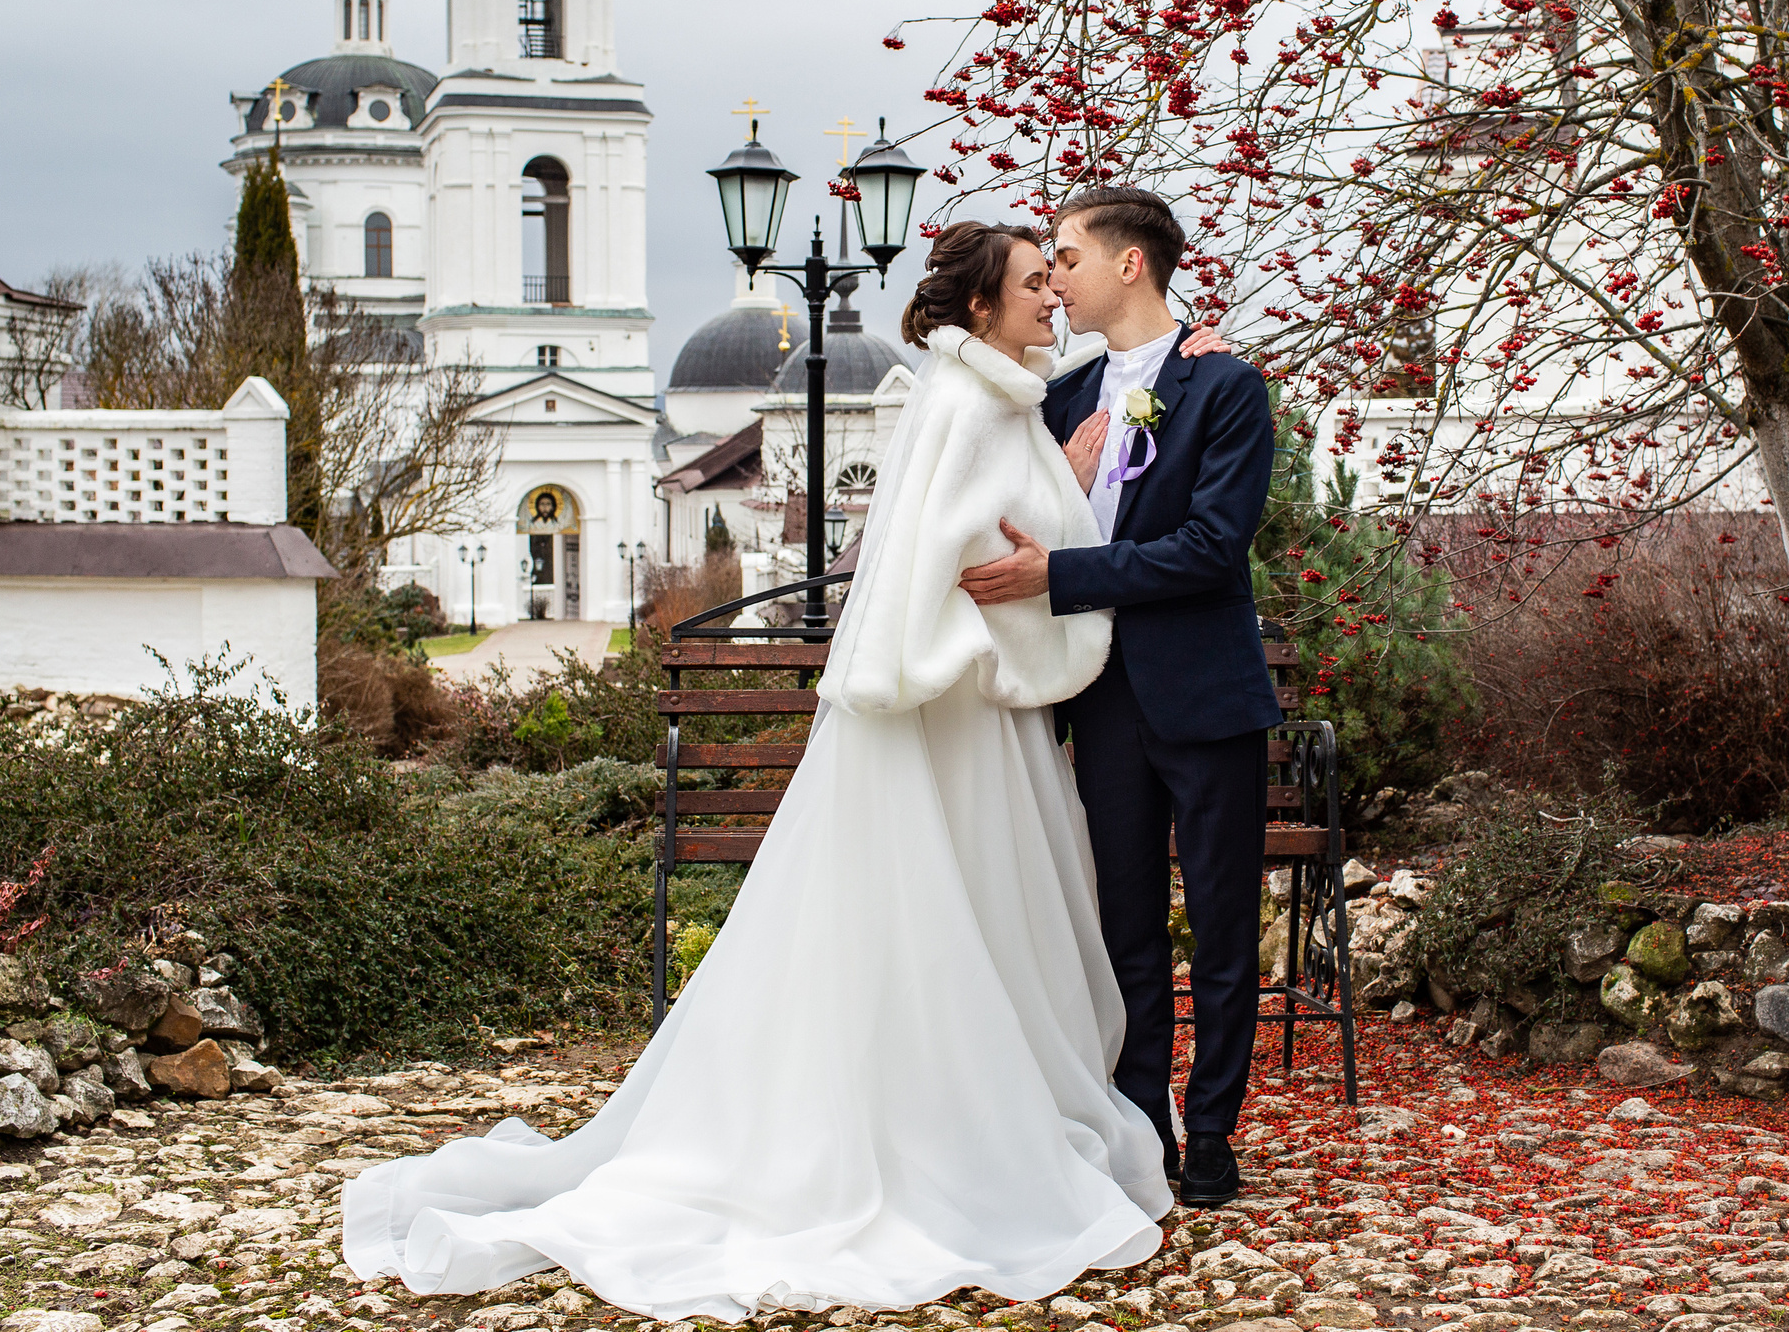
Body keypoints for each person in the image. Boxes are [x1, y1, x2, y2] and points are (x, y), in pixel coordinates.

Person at [343, 223, 1225, 1324]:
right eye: (1033, 283)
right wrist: (1070, 492)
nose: (1052, 296)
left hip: (971, 716)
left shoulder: (995, 396)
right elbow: (952, 573)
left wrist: (1072, 480)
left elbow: (991, 546)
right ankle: (934, 1137)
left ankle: (951, 1113)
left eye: (1059, 278)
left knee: (964, 924)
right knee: (940, 918)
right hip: (951, 714)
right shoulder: (971, 404)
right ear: (982, 307)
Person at [959, 185, 1279, 1210]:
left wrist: (1063, 576)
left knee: (1225, 930)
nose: (1052, 279)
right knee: (1123, 929)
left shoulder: (1224, 387)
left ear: (1128, 265)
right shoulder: (1059, 395)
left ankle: (1216, 1132)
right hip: (1098, 698)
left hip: (1208, 696)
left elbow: (1208, 548)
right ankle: (1141, 1127)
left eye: (1066, 258)